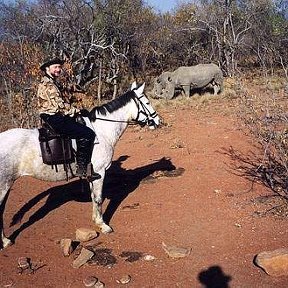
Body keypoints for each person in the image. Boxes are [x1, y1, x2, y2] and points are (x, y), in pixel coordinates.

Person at [37, 57, 101, 181]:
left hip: (53, 116)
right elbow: (60, 106)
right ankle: (82, 168)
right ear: (47, 69)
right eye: (55, 67)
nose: (58, 69)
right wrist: (78, 111)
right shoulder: (49, 85)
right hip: (54, 117)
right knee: (87, 133)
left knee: (78, 126)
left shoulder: (51, 82)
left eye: (59, 67)